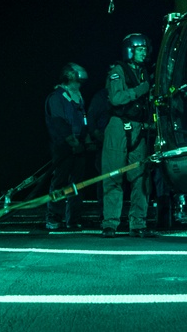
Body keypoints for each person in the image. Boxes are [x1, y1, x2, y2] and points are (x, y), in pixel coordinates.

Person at [100, 33, 154, 238]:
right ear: (130, 50)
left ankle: (138, 222)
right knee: (113, 175)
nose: (144, 52)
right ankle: (110, 223)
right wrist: (140, 90)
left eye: (145, 49)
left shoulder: (144, 73)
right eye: (140, 49)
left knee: (141, 178)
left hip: (139, 128)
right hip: (118, 127)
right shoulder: (118, 71)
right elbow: (116, 98)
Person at [44, 62, 91, 231]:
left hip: (78, 147)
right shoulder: (57, 97)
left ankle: (73, 218)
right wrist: (72, 142)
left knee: (77, 183)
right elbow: (59, 123)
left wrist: (84, 140)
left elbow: (82, 121)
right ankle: (54, 216)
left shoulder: (78, 96)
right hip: (63, 147)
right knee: (60, 181)